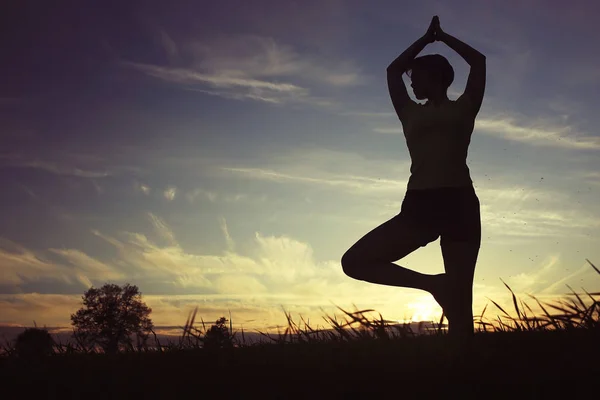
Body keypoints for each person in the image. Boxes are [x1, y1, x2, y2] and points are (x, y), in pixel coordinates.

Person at [341, 16, 486, 340]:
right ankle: (433, 283)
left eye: (416, 77)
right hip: (421, 204)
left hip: (460, 202)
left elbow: (478, 61)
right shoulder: (409, 111)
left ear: (433, 77)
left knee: (461, 304)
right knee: (354, 262)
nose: (410, 83)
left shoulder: (465, 107)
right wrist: (425, 39)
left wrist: (443, 37)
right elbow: (393, 70)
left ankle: (466, 373)